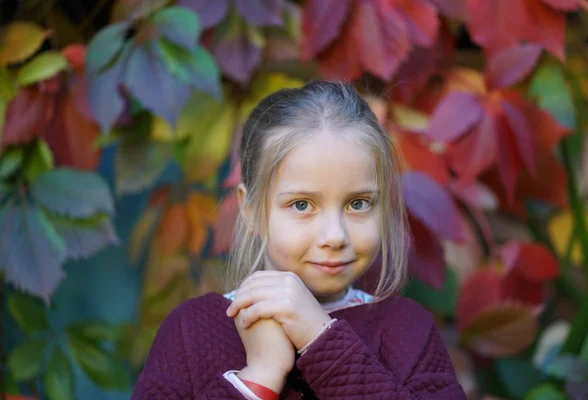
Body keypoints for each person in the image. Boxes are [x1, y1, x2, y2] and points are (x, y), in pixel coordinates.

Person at [131, 81, 466, 399]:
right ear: (251, 209)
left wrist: (321, 340)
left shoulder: (408, 330)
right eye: (302, 204)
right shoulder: (192, 331)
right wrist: (260, 376)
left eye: (358, 203)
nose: (335, 236)